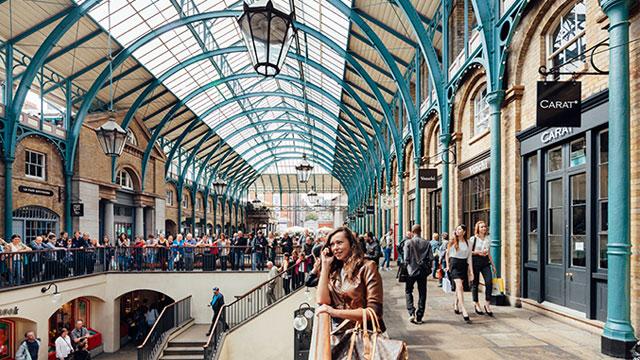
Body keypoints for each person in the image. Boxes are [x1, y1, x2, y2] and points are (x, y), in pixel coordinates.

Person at [316, 227, 386, 337]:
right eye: (332, 244)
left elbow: (374, 312)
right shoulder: (335, 271)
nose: (335, 248)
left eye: (339, 243)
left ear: (351, 244)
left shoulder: (367, 267)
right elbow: (322, 300)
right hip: (341, 333)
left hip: (364, 334)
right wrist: (325, 266)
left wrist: (334, 312)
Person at [403, 224, 433, 324]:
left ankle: (411, 312)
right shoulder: (427, 243)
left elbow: (406, 259)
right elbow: (431, 258)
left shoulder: (408, 242)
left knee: (408, 291)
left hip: (411, 271)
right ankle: (419, 316)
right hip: (422, 271)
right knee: (422, 293)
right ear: (421, 231)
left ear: (412, 232)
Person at [445, 225, 474, 323]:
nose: (458, 231)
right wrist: (448, 266)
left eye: (460, 229)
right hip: (454, 264)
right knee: (460, 286)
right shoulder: (452, 241)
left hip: (463, 265)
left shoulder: (468, 243)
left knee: (459, 288)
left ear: (464, 232)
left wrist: (471, 272)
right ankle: (464, 309)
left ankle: (456, 304)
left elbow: (469, 257)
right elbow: (447, 254)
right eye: (457, 229)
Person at [470, 221, 494, 316]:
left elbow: (489, 253)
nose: (484, 228)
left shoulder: (488, 239)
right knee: (475, 283)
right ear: (478, 229)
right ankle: (476, 303)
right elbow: (469, 252)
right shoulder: (473, 239)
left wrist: (493, 265)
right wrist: (478, 252)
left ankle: (487, 304)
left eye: (485, 226)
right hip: (475, 261)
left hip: (485, 262)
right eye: (481, 227)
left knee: (489, 282)